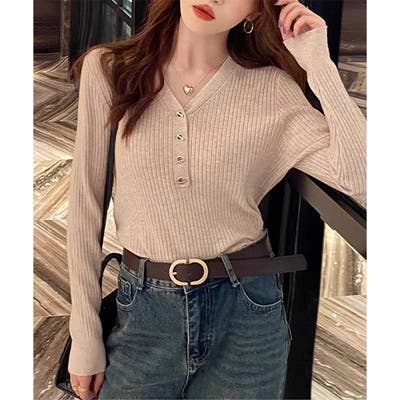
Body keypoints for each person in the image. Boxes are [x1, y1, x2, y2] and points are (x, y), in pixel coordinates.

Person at [66, 0, 366, 399]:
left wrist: (320, 66)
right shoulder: (110, 69)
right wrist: (84, 333)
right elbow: (85, 206)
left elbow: (361, 179)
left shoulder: (272, 89)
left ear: (257, 9)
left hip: (245, 316)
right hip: (143, 312)